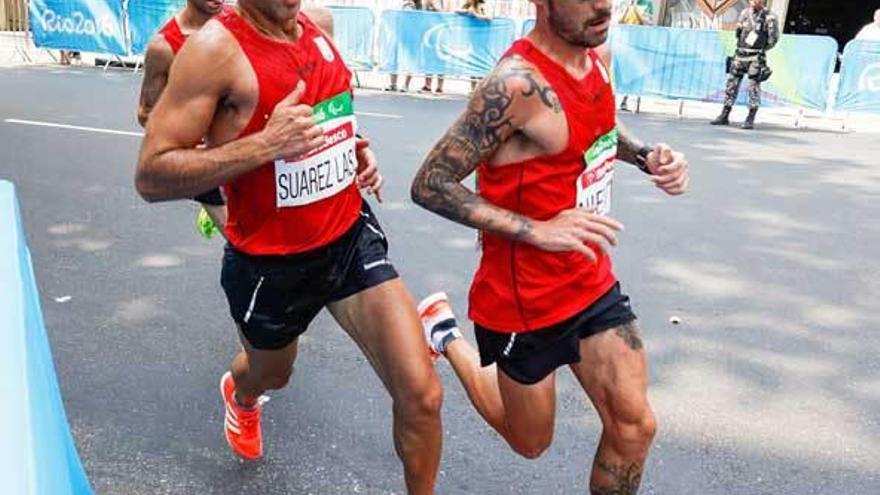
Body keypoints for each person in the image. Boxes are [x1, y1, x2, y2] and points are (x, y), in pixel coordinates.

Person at [134, 1, 444, 492]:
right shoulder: (213, 51)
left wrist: (352, 145)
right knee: (272, 373)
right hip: (271, 266)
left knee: (421, 394)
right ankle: (242, 395)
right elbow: (150, 174)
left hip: (348, 238)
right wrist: (265, 145)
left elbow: (324, 110)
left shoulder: (317, 25)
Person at [411, 0, 689, 491]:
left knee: (635, 427)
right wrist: (538, 230)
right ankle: (445, 334)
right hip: (523, 302)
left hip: (589, 279)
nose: (604, 5)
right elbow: (431, 183)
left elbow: (595, 130)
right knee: (530, 442)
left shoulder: (595, 57)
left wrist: (646, 156)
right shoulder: (514, 85)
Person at [137, 0, 231, 236]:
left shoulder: (239, 20)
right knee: (242, 245)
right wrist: (187, 138)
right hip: (209, 166)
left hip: (251, 150)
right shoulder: (164, 47)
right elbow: (145, 113)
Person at [710, 0, 779, 130]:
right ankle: (725, 115)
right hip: (740, 54)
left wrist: (760, 48)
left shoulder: (770, 17)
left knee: (753, 87)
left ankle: (750, 117)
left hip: (755, 56)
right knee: (731, 84)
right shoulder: (744, 13)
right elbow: (738, 33)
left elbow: (773, 39)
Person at [456, 0, 491, 93]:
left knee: (481, 63)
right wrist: (466, 12)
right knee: (472, 62)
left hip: (483, 38)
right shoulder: (468, 5)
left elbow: (489, 17)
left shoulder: (483, 5)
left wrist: (476, 15)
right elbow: (456, 11)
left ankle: (480, 88)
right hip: (472, 38)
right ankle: (473, 88)